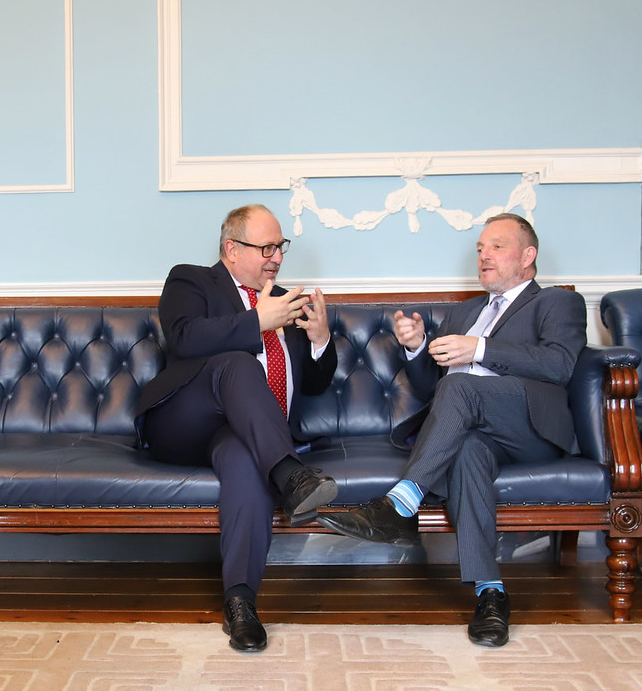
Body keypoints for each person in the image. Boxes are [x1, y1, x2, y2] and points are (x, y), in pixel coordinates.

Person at [318, 213, 586, 647]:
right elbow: (436, 391)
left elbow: (560, 365)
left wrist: (478, 348)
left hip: (532, 429)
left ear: (528, 255)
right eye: (480, 249)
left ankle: (401, 503)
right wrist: (417, 346)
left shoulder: (555, 302)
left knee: (463, 382)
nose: (484, 256)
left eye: (497, 246)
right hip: (480, 433)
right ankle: (491, 594)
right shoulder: (465, 311)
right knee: (466, 450)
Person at [135, 204, 338, 653]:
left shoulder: (289, 301)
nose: (277, 258)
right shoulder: (191, 279)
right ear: (231, 248)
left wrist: (321, 339)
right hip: (183, 421)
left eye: (280, 248)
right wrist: (257, 322)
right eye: (266, 248)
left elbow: (318, 384)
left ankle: (240, 602)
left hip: (246, 435)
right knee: (236, 362)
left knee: (246, 460)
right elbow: (184, 337)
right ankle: (291, 475)